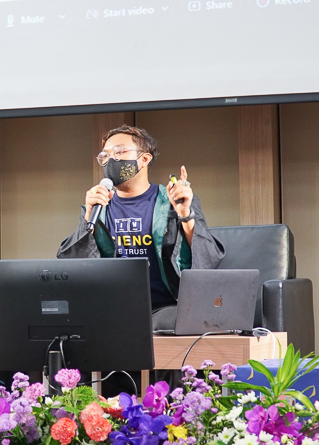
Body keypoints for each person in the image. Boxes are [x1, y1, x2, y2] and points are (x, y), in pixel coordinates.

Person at [57, 124, 225, 330]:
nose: (111, 160)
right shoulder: (98, 207)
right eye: (105, 155)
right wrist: (88, 219)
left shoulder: (172, 201)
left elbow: (208, 258)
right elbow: (72, 268)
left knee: (171, 322)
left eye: (119, 152)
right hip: (112, 306)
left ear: (144, 159)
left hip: (165, 307)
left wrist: (185, 215)